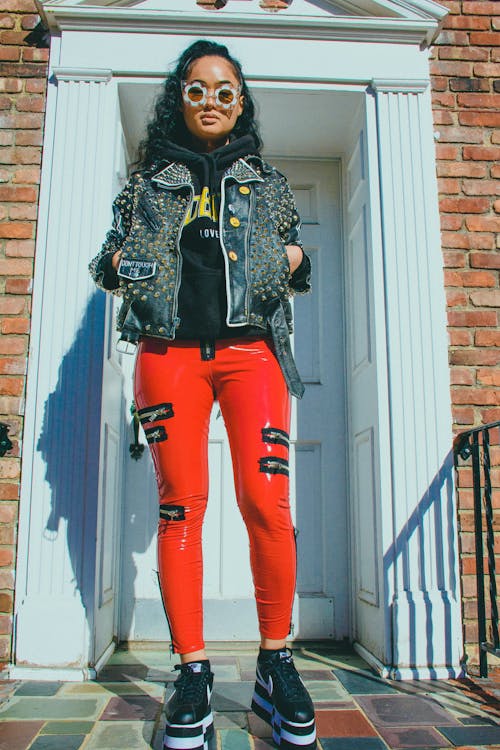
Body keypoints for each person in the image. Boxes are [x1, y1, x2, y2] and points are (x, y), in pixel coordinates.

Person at [90, 39, 316, 750]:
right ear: (178, 99)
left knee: (265, 501)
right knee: (181, 505)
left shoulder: (271, 182)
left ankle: (275, 661)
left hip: (253, 354)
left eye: (224, 89)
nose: (211, 101)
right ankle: (192, 672)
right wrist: (121, 261)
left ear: (241, 99)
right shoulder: (147, 180)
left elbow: (295, 255)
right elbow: (107, 257)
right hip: (169, 357)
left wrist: (296, 256)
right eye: (196, 89)